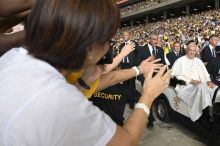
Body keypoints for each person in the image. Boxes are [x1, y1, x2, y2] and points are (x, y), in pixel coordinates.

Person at [0, 1, 171, 146]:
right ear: (89, 49)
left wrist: (138, 69)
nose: (108, 50)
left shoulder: (12, 57)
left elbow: (109, 78)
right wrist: (148, 94)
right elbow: (126, 141)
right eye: (108, 41)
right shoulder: (60, 101)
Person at [171, 44, 220, 121]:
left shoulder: (198, 61)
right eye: (190, 50)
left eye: (194, 51)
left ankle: (217, 113)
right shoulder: (180, 60)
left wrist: (209, 81)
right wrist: (190, 80)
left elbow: (205, 72)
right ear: (186, 51)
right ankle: (205, 115)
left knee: (218, 90)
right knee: (202, 89)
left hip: (202, 83)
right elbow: (175, 75)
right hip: (186, 85)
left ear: (196, 52)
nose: (192, 52)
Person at [136, 32, 166, 128]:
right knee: (147, 97)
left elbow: (163, 63)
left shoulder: (160, 50)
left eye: (157, 39)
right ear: (149, 39)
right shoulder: (142, 49)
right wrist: (148, 61)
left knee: (155, 96)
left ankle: (155, 111)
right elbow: (137, 62)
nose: (156, 41)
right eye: (154, 39)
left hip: (157, 77)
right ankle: (149, 119)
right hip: (145, 77)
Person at [118, 31, 140, 109]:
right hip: (124, 66)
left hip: (131, 67)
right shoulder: (121, 45)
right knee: (125, 84)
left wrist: (135, 64)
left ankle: (132, 102)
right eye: (123, 35)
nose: (124, 36)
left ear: (129, 36)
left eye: (125, 35)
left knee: (131, 84)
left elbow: (138, 54)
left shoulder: (134, 44)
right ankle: (126, 99)